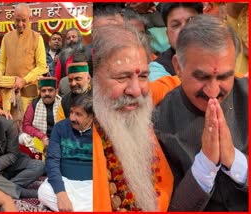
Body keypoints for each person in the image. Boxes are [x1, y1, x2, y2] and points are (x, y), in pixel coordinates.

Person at [153, 15, 248, 211]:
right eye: (202, 77)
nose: (213, 91)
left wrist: (235, 161)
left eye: (223, 77)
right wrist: (205, 163)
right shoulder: (158, 122)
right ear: (178, 66)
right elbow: (172, 208)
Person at [92, 24, 173, 212]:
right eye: (122, 77)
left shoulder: (137, 103)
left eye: (143, 75)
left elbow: (181, 81)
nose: (136, 90)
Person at [0, 92, 44, 199]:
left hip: (11, 165)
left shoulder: (7, 123)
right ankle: (21, 192)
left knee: (39, 166)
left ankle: (4, 188)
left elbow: (13, 155)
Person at [38, 93, 93, 211]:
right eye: (71, 112)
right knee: (43, 192)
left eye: (78, 114)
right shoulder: (60, 127)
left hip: (91, 185)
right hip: (65, 182)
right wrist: (60, 193)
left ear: (91, 117)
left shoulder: (101, 131)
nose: (72, 118)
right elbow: (52, 161)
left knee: (104, 197)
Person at [0, 3, 47, 122]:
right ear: (13, 18)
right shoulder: (6, 38)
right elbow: (2, 63)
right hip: (8, 93)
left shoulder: (37, 38)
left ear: (30, 19)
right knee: (10, 126)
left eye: (24, 20)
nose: (20, 24)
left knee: (27, 126)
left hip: (28, 93)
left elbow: (41, 67)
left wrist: (24, 80)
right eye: (17, 20)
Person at [149, 3, 203, 81]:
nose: (184, 29)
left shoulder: (222, 53)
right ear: (167, 34)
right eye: (176, 25)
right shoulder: (157, 69)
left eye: (191, 21)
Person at [20, 77, 61, 158]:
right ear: (39, 92)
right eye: (43, 91)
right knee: (22, 137)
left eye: (50, 90)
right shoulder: (34, 104)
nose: (47, 93)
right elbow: (26, 125)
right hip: (40, 139)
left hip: (59, 139)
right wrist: (42, 137)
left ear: (56, 91)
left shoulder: (62, 103)